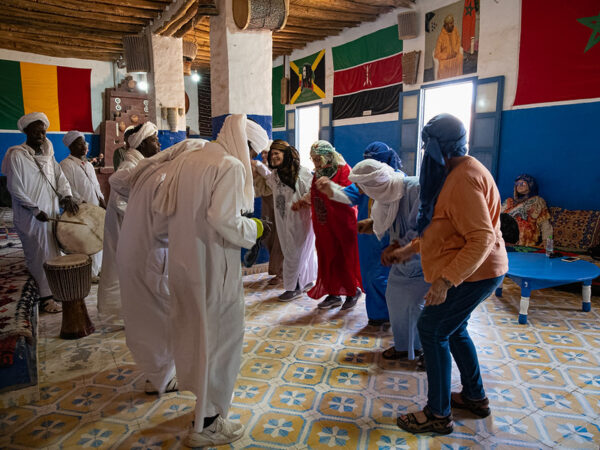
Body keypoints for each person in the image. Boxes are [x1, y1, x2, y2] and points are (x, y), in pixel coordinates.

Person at [389, 114, 508, 434]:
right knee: (453, 329)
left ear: (440, 147)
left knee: (432, 328)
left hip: (475, 272)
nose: (425, 151)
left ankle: (438, 414)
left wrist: (445, 280)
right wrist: (409, 249)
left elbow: (481, 238)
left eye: (428, 145)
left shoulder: (463, 180)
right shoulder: (458, 171)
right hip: (473, 270)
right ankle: (474, 398)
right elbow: (446, 229)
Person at [153, 114, 267, 447]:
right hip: (213, 269)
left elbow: (164, 212)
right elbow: (223, 219)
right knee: (221, 344)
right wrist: (256, 228)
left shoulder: (190, 159)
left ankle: (203, 409)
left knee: (198, 339)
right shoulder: (229, 166)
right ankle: (208, 425)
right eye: (251, 150)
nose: (250, 158)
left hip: (184, 266)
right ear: (242, 144)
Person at [347, 159, 428, 364]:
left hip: (425, 258)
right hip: (403, 261)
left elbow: (425, 226)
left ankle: (423, 349)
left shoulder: (415, 188)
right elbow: (391, 221)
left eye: (363, 186)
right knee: (394, 296)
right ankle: (403, 346)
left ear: (375, 184)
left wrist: (400, 246)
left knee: (418, 305)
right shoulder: (386, 195)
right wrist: (373, 225)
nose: (362, 192)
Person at [315, 142, 402, 326]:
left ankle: (393, 315)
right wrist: (331, 188)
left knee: (384, 277)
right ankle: (377, 316)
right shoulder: (365, 181)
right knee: (369, 276)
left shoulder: (398, 181)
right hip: (366, 236)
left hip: (390, 236)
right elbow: (349, 196)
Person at [2, 112, 78, 313]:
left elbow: (60, 178)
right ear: (26, 132)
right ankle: (45, 298)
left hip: (51, 212)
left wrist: (67, 196)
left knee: (53, 251)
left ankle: (54, 290)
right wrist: (34, 209)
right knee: (38, 254)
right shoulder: (16, 155)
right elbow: (14, 187)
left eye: (43, 132)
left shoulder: (48, 155)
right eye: (36, 131)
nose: (40, 135)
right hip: (31, 216)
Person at [97, 123, 159, 323]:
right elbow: (118, 201)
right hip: (124, 227)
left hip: (131, 226)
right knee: (123, 268)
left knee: (133, 268)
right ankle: (122, 314)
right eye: (153, 140)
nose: (158, 144)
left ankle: (133, 311)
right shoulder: (129, 166)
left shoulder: (140, 164)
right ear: (141, 144)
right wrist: (146, 213)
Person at [295, 140, 362, 310]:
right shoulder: (318, 173)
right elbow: (314, 193)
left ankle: (352, 291)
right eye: (313, 159)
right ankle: (333, 293)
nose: (316, 163)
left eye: (318, 159)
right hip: (324, 222)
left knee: (344, 257)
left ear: (328, 156)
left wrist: (330, 186)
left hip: (342, 222)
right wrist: (304, 201)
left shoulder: (344, 171)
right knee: (328, 256)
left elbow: (350, 197)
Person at [253, 140, 317, 301]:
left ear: (286, 154)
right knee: (295, 250)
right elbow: (268, 180)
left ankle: (292, 287)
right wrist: (259, 166)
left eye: (277, 153)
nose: (273, 157)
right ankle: (306, 280)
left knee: (294, 251)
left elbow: (312, 192)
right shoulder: (276, 175)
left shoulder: (302, 173)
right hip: (283, 219)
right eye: (272, 153)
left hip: (300, 219)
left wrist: (302, 202)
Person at [60, 130, 106, 279]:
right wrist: (82, 204)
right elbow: (68, 187)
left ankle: (97, 269)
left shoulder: (88, 165)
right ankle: (89, 273)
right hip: (82, 210)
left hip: (95, 209)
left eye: (84, 143)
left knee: (98, 238)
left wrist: (101, 199)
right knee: (85, 241)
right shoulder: (66, 165)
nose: (84, 146)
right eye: (79, 144)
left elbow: (95, 186)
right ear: (71, 146)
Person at [251, 148, 284, 286]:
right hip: (268, 206)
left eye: (267, 152)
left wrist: (259, 167)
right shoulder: (263, 167)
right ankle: (279, 272)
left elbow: (274, 182)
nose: (264, 155)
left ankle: (281, 273)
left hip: (278, 207)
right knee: (269, 237)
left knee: (279, 238)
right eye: (263, 153)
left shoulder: (280, 169)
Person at [501, 174, 552, 247]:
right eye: (517, 184)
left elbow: (545, 224)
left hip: (523, 240)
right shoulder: (508, 201)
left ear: (530, 185)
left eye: (523, 183)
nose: (519, 185)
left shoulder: (537, 201)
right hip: (502, 235)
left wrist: (548, 242)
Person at [434, 15, 463, 80]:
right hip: (446, 58)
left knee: (460, 57)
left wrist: (455, 51)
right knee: (441, 66)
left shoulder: (455, 30)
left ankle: (458, 80)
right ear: (446, 25)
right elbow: (437, 54)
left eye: (452, 23)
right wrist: (448, 56)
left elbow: (458, 40)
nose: (452, 25)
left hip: (455, 55)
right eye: (450, 23)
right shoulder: (441, 37)